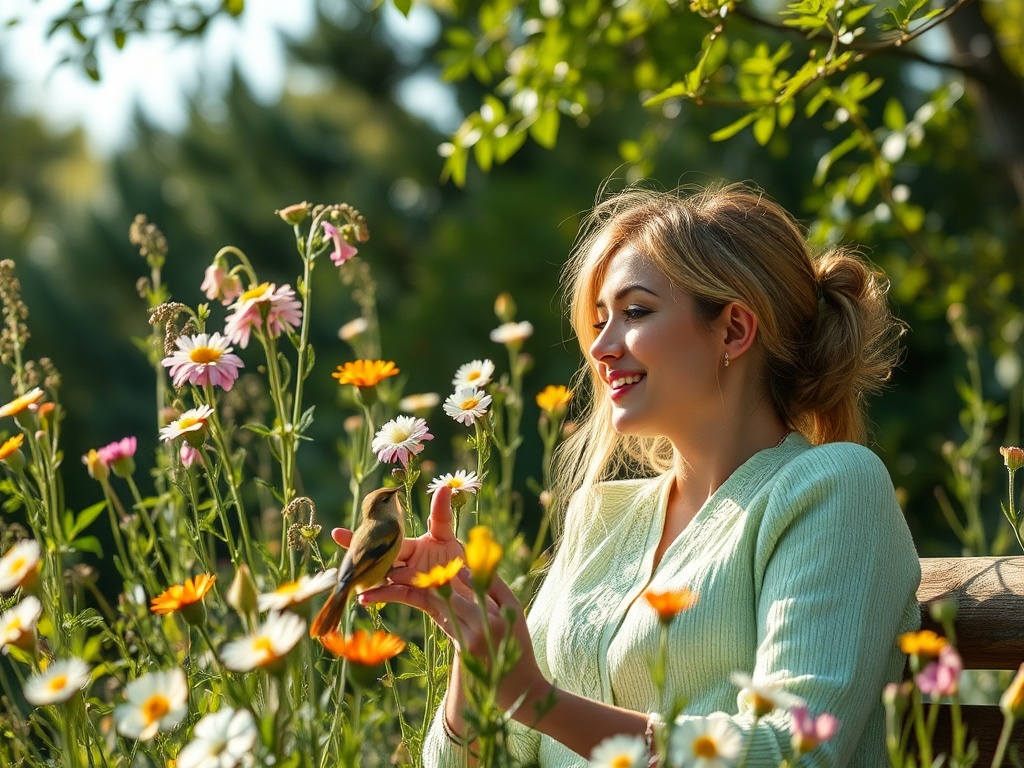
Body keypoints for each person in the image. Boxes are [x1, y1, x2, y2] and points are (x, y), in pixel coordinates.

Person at [336, 181, 922, 767]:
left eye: (635, 312)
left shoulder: (832, 488)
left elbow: (792, 753)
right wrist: (480, 651)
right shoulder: (603, 517)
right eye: (599, 320)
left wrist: (538, 700)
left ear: (734, 330)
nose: (600, 348)